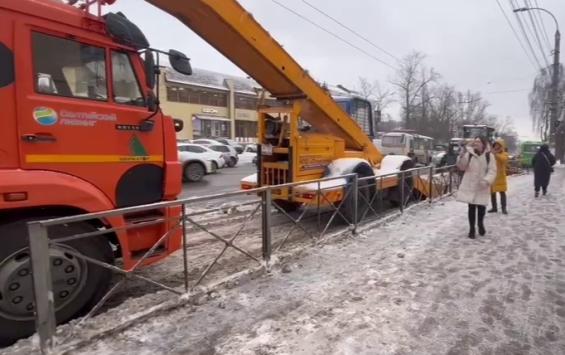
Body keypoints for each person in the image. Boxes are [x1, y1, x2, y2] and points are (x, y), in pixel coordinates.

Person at [456, 137, 497, 239]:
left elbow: (492, 171)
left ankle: (480, 224)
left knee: (481, 207)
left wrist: (486, 180)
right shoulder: (469, 154)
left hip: (482, 185)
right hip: (471, 184)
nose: (476, 143)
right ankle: (472, 229)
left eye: (478, 141)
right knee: (471, 207)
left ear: (483, 144)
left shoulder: (489, 156)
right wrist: (461, 157)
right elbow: (462, 167)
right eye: (475, 141)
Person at [488, 139, 509, 214]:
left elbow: (503, 160)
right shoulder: (491, 153)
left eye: (498, 145)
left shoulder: (504, 153)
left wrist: (495, 154)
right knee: (492, 193)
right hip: (493, 175)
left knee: (502, 192)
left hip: (500, 176)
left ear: (501, 146)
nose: (496, 146)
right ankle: (494, 208)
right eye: (495, 145)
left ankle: (504, 208)